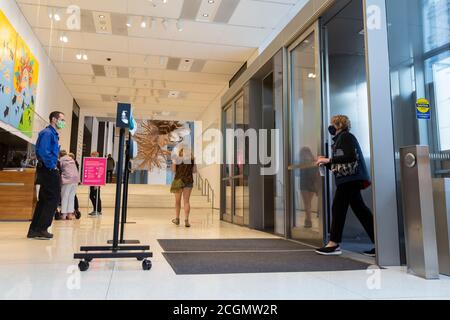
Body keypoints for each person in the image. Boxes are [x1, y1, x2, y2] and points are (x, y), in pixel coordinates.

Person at [315, 115, 375, 257]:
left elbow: (350, 157)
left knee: (338, 208)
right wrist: (326, 162)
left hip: (350, 180)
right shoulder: (340, 140)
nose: (331, 127)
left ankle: (334, 244)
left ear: (339, 125)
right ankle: (380, 243)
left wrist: (328, 159)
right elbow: (341, 163)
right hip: (349, 180)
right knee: (361, 211)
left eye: (333, 124)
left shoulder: (346, 137)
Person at [27, 111, 65, 240]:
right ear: (54, 119)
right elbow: (43, 152)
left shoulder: (52, 134)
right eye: (62, 119)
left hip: (46, 170)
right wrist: (52, 166)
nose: (63, 122)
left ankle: (34, 230)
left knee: (44, 200)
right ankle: (42, 228)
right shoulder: (48, 133)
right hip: (48, 170)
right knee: (52, 199)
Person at [170, 148, 196, 227]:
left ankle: (177, 219)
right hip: (188, 181)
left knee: (177, 202)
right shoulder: (192, 160)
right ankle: (186, 220)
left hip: (178, 180)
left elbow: (174, 170)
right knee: (186, 201)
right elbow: (194, 171)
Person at [299, 147, 320, 228]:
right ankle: (308, 220)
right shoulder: (313, 161)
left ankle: (308, 221)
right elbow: (316, 175)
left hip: (304, 184)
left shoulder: (302, 162)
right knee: (309, 204)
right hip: (312, 184)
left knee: (306, 204)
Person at [59, 150, 79, 220]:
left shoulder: (61, 160)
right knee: (71, 197)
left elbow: (59, 170)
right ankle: (70, 215)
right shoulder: (72, 160)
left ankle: (64, 215)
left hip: (67, 180)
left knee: (65, 197)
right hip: (75, 180)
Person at [89, 151, 102, 216]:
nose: (91, 156)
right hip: (92, 182)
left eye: (92, 155)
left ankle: (98, 210)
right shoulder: (92, 162)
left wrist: (97, 184)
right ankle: (95, 209)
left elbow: (99, 173)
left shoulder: (99, 162)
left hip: (96, 182)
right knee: (91, 196)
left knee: (96, 196)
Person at [69, 153, 81, 219]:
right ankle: (75, 209)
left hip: (72, 181)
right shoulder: (75, 163)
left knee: (73, 195)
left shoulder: (73, 163)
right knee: (73, 195)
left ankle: (75, 209)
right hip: (73, 181)